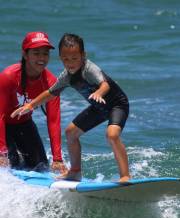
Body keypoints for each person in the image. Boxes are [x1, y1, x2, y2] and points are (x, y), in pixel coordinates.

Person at [11, 33, 130, 182]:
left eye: (75, 58)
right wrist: (30, 105)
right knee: (70, 133)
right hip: (99, 107)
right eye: (66, 59)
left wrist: (99, 93)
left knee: (112, 135)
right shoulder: (66, 76)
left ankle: (125, 176)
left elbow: (104, 84)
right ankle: (75, 171)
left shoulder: (89, 69)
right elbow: (50, 93)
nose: (70, 63)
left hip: (117, 105)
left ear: (83, 55)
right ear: (60, 57)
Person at [0, 31, 67, 173]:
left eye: (45, 53)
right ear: (25, 55)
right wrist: (2, 152)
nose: (42, 58)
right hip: (2, 124)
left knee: (41, 167)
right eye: (36, 53)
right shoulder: (8, 76)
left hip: (23, 123)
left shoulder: (51, 83)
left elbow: (54, 120)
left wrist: (57, 159)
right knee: (9, 164)